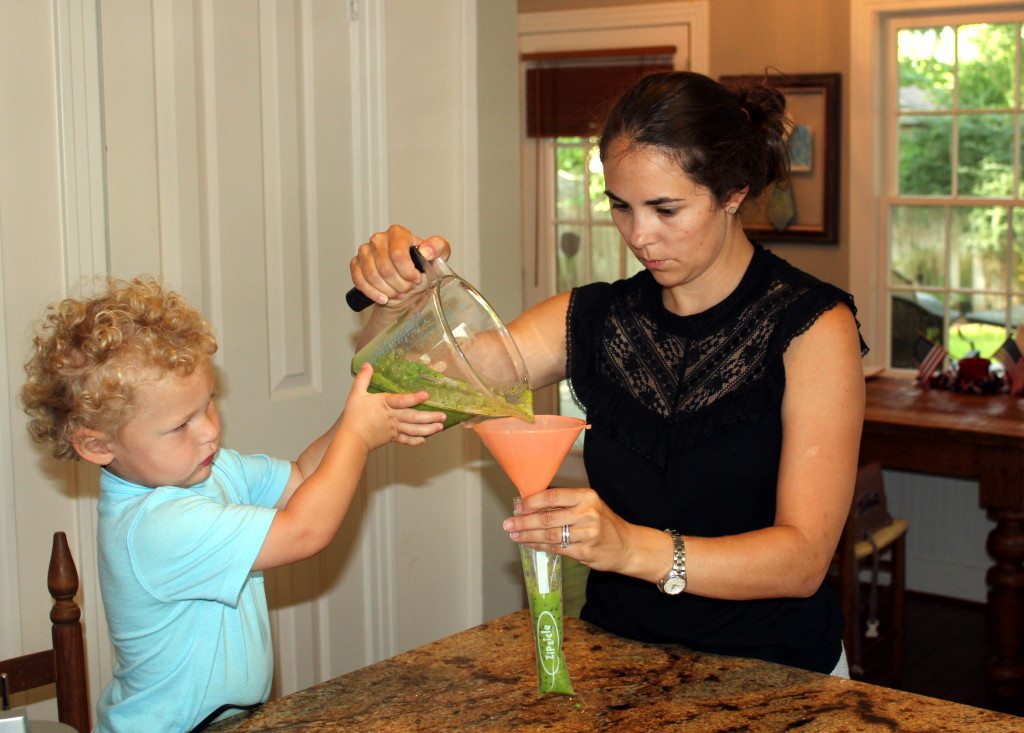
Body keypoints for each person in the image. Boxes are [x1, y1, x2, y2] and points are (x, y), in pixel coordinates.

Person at [348, 70, 866, 677]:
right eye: (621, 206)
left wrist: (629, 547)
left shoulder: (813, 324)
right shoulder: (590, 317)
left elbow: (802, 560)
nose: (640, 236)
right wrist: (395, 298)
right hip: (617, 661)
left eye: (666, 208)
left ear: (732, 191)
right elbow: (400, 384)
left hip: (780, 671)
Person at [20, 277, 446, 732]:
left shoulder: (207, 469)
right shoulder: (154, 526)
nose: (208, 431)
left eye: (208, 405)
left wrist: (362, 416)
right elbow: (305, 530)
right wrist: (357, 438)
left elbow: (301, 478)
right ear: (98, 446)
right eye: (181, 424)